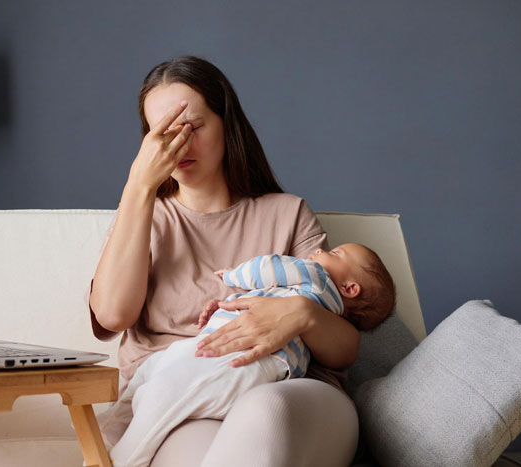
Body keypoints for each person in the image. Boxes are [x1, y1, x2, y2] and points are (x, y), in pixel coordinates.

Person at [89, 55, 362, 466]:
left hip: (290, 389)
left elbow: (346, 350)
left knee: (262, 411)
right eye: (162, 133)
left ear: (226, 124)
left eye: (193, 127)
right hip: (183, 397)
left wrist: (302, 314)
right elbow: (111, 315)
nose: (179, 144)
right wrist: (139, 184)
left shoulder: (287, 213)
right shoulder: (145, 217)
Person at [99, 244, 396, 466]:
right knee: (155, 371)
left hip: (244, 358)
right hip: (254, 365)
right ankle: (107, 433)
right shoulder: (324, 301)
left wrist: (234, 274)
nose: (319, 250)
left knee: (167, 391)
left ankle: (123, 456)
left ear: (350, 288)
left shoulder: (315, 277)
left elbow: (271, 266)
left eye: (336, 252)